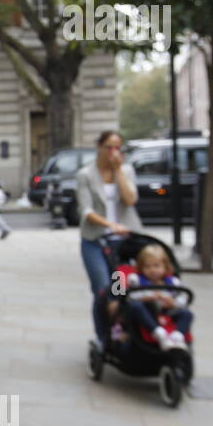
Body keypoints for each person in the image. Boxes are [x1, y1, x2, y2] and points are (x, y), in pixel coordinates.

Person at [78, 130, 141, 343]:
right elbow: (86, 211)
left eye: (117, 147)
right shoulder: (86, 174)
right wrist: (110, 225)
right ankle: (102, 336)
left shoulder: (126, 171)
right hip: (95, 241)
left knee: (119, 289)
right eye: (109, 147)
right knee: (103, 289)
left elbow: (131, 199)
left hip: (121, 244)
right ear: (99, 147)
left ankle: (118, 331)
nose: (114, 152)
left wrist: (118, 172)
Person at [117, 244, 193, 351]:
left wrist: (173, 303)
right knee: (135, 306)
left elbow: (182, 299)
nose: (152, 270)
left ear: (165, 267)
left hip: (167, 312)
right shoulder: (136, 280)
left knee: (187, 313)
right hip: (147, 313)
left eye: (156, 266)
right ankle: (158, 333)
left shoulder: (172, 282)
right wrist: (147, 297)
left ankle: (177, 337)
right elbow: (130, 297)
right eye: (147, 267)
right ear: (141, 268)